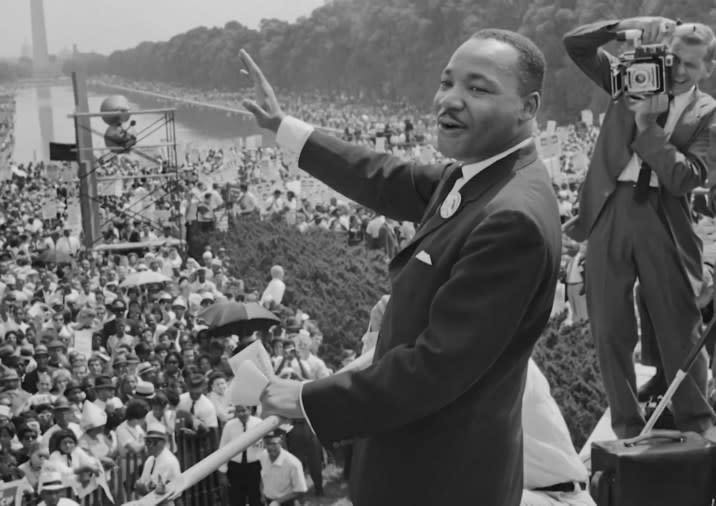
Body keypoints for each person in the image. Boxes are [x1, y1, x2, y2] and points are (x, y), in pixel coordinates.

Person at [241, 26, 562, 506]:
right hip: (420, 461)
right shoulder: (480, 175)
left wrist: (309, 398)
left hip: (441, 477)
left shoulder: (511, 216)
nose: (450, 100)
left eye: (478, 88)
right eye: (447, 82)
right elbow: (384, 178)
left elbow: (437, 367)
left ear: (528, 108)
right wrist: (283, 126)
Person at [563, 17, 716, 439]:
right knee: (609, 325)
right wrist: (623, 27)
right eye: (673, 59)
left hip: (663, 216)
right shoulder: (633, 76)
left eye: (690, 64)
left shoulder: (708, 114)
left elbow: (687, 178)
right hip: (610, 206)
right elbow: (575, 46)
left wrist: (648, 128)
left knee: (679, 326)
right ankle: (627, 426)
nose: (678, 70)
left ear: (707, 68)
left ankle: (697, 426)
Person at [257, 431, 306, 506]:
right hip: (269, 501)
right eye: (267, 443)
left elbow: (300, 490)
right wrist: (262, 493)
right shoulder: (263, 456)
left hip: (286, 502)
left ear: (281, 442)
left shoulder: (293, 463)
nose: (270, 447)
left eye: (274, 444)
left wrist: (278, 501)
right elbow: (264, 476)